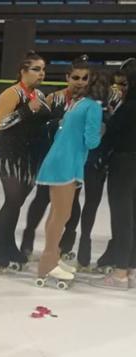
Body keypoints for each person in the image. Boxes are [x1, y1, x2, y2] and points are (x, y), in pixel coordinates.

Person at [35, 70, 106, 287]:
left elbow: (61, 132)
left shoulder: (77, 103)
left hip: (59, 158)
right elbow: (92, 141)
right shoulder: (92, 107)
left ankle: (52, 258)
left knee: (57, 212)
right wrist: (102, 131)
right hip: (67, 162)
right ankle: (48, 262)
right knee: (62, 214)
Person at [20, 56, 92, 263]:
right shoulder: (53, 98)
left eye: (84, 78)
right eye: (76, 77)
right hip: (52, 157)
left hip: (75, 160)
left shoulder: (89, 104)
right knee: (42, 198)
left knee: (72, 203)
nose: (80, 81)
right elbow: (39, 126)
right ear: (67, 77)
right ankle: (28, 237)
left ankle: (66, 243)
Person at [0, 51, 51, 272]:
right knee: (12, 202)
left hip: (30, 158)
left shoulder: (40, 95)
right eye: (36, 69)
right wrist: (24, 111)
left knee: (16, 204)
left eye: (43, 69)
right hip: (11, 156)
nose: (41, 73)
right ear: (23, 71)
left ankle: (7, 245)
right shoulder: (12, 93)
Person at [93, 66, 136, 289]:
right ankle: (131, 270)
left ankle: (120, 273)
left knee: (122, 220)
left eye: (124, 84)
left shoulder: (127, 109)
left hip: (124, 165)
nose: (119, 88)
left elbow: (110, 137)